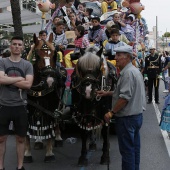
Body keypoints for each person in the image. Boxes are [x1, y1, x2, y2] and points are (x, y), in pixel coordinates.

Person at [97, 44, 146, 170]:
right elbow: (126, 92)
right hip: (136, 117)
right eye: (116, 55)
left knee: (127, 152)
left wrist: (111, 112)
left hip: (127, 119)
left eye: (119, 55)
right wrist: (108, 93)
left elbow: (124, 98)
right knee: (134, 149)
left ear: (128, 57)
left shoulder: (128, 74)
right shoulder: (134, 71)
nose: (116, 58)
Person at [0, 36, 34, 170]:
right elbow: (0, 80)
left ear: (23, 47)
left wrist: (8, 78)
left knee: (20, 138)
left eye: (19, 45)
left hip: (20, 106)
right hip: (3, 105)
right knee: (1, 138)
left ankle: (20, 167)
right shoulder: (2, 62)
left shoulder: (27, 65)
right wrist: (20, 78)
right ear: (10, 46)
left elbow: (28, 84)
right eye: (14, 44)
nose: (17, 47)